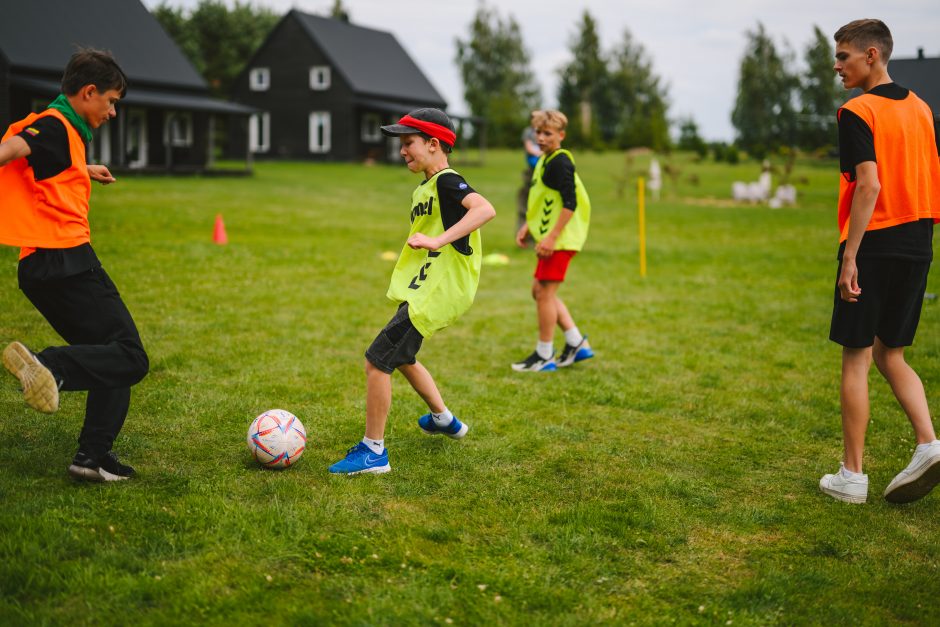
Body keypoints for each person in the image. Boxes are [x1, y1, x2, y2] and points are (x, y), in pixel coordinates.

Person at [0, 49, 149, 482]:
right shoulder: (52, 124)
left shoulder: (64, 131)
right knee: (131, 357)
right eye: (111, 101)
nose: (113, 111)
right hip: (64, 260)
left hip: (43, 267)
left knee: (111, 353)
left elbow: (46, 161)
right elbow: (13, 147)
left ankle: (92, 459)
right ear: (88, 93)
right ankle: (50, 367)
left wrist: (85, 169)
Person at [329, 108, 496, 475]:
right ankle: (444, 418)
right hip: (427, 288)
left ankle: (374, 453)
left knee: (377, 360)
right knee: (402, 356)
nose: (402, 151)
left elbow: (485, 209)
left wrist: (438, 239)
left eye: (409, 143)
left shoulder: (449, 181)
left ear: (434, 144)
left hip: (439, 290)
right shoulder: (428, 185)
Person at [819, 19, 940, 504]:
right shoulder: (922, 109)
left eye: (844, 56)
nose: (837, 65)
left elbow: (868, 185)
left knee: (857, 357)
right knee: (891, 352)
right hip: (919, 240)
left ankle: (852, 476)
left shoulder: (857, 111)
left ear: (872, 55)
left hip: (875, 240)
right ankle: (929, 444)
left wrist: (851, 256)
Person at [512, 109, 594, 372]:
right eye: (538, 132)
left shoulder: (560, 162)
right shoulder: (545, 160)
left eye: (548, 133)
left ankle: (544, 354)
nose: (541, 137)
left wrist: (552, 237)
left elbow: (570, 203)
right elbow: (547, 199)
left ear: (561, 135)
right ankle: (576, 342)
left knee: (545, 294)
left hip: (560, 240)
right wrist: (528, 225)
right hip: (551, 238)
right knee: (539, 291)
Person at [516, 123, 541, 239]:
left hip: (541, 176)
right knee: (525, 207)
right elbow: (529, 148)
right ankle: (524, 237)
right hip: (531, 174)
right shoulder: (529, 132)